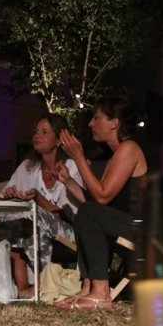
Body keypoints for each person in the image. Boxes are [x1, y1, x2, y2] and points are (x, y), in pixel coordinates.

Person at [55, 96, 148, 310]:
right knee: (85, 211)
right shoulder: (116, 155)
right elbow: (97, 202)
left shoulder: (129, 148)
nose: (90, 123)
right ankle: (88, 287)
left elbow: (102, 197)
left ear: (114, 123)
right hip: (128, 224)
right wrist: (69, 182)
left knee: (88, 211)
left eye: (96, 118)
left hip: (143, 229)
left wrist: (79, 157)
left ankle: (101, 292)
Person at [0, 113, 84, 296]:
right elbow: (2, 199)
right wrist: (12, 197)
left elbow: (64, 213)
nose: (37, 135)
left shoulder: (71, 167)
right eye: (36, 131)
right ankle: (22, 287)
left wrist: (36, 198)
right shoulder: (28, 167)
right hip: (34, 226)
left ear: (58, 139)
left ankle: (41, 284)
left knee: (32, 216)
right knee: (7, 216)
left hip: (69, 233)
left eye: (44, 132)